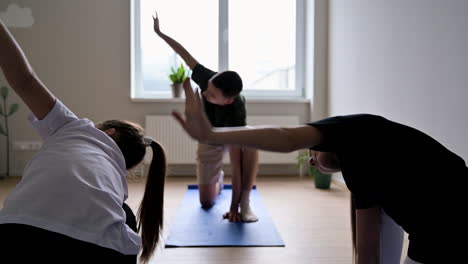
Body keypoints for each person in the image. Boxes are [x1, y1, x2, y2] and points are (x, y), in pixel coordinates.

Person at [173, 78, 468, 264]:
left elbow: (286, 138)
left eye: (311, 152)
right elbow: (367, 250)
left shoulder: (352, 128)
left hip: (447, 223)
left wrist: (212, 135)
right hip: (434, 226)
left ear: (324, 136)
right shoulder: (359, 171)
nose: (311, 161)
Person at [0, 19, 165, 264]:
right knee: (124, 218)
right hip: (95, 246)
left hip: (18, 231)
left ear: (109, 132)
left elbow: (25, 79)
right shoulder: (116, 181)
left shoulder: (72, 126)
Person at [153, 12, 259, 222]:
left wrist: (234, 208)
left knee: (251, 144)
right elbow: (184, 53)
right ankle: (216, 182)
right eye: (206, 89)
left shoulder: (236, 111)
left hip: (229, 135)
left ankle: (246, 200)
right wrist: (159, 33)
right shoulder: (208, 79)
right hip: (209, 136)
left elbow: (236, 168)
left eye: (212, 95)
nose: (206, 94)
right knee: (206, 202)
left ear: (227, 101)